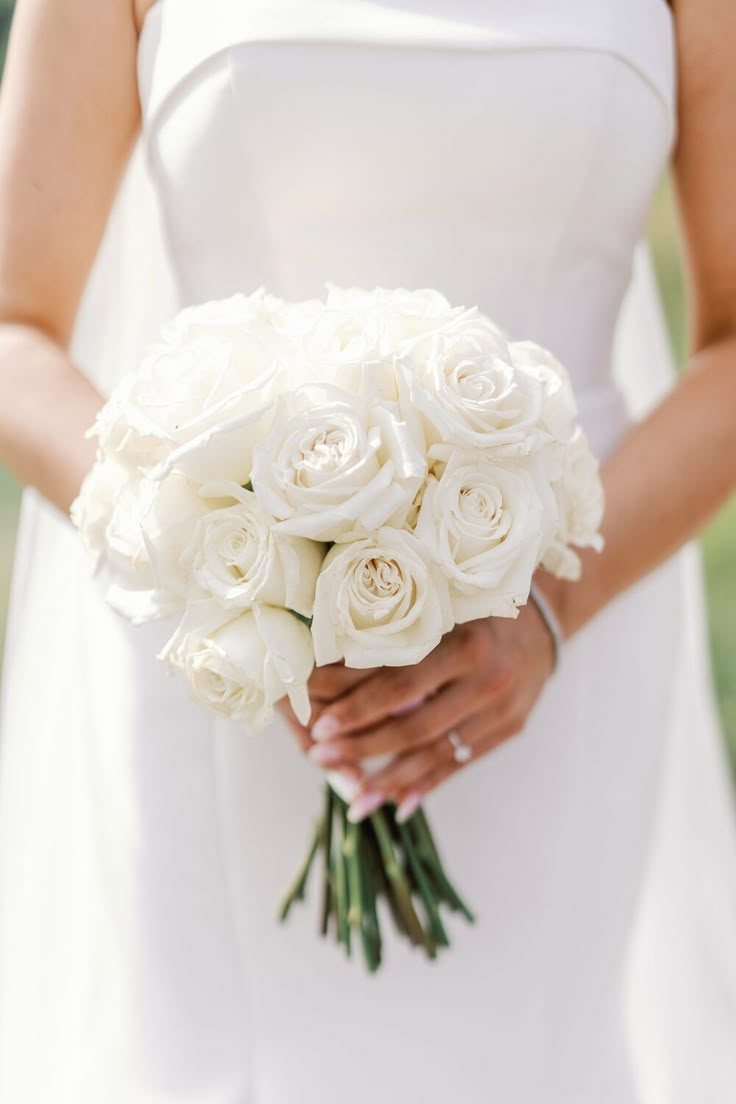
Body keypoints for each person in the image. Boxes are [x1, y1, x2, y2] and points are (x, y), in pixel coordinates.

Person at [1, 0, 736, 1100]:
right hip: (225, 667)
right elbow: (13, 327)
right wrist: (214, 553)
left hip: (565, 639)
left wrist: (545, 608)